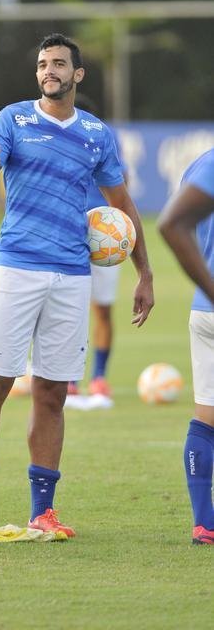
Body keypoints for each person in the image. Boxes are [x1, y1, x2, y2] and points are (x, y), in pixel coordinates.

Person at [0, 32, 154, 538]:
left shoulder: (96, 135)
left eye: (59, 64)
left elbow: (122, 207)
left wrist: (144, 272)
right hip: (16, 268)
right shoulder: (13, 120)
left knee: (51, 394)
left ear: (77, 75)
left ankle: (42, 511)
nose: (50, 71)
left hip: (71, 277)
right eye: (44, 64)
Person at [157, 147, 214, 545]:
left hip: (203, 311)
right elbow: (171, 224)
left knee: (206, 418)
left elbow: (184, 226)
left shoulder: (200, 164)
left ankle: (204, 523)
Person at [68, 94, 127, 399]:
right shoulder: (56, 142)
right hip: (67, 233)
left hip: (104, 238)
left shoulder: (104, 139)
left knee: (102, 309)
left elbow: (121, 183)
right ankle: (68, 380)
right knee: (68, 310)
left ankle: (99, 377)